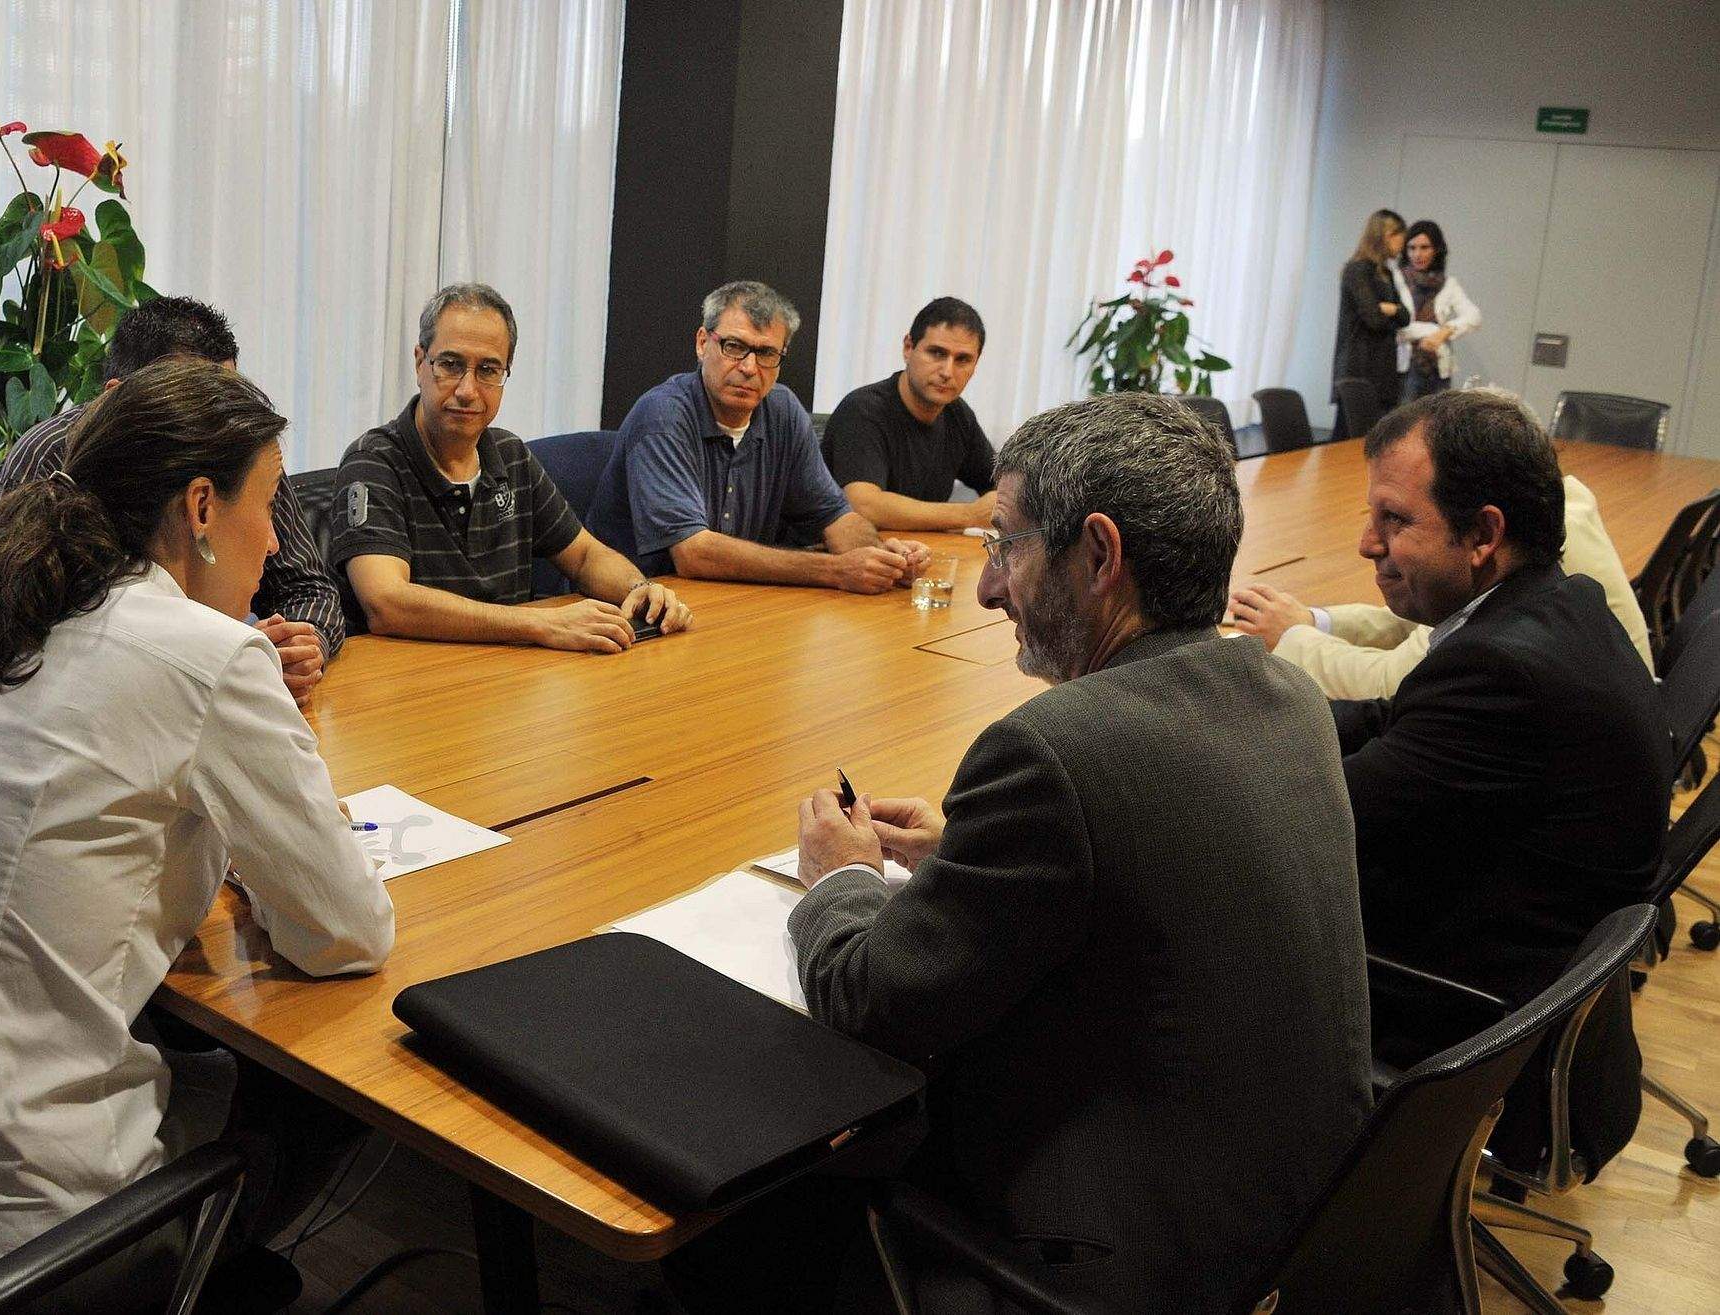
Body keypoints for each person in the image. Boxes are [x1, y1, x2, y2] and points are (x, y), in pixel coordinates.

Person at [669, 394, 1374, 1313]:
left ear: (1100, 553)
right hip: (1297, 1224)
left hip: (1114, 1258)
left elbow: (869, 1000)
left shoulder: (1055, 749)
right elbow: (1144, 876)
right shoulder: (1288, 696)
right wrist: (969, 853)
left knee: (740, 1183)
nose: (989, 586)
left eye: (1004, 545)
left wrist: (840, 876)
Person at [0, 359, 395, 1308]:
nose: (277, 537)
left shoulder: (9, 616)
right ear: (201, 506)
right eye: (270, 500)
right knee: (326, 1083)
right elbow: (346, 932)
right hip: (1, 1226)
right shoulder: (209, 655)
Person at [1324, 389, 1669, 1170]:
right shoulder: (1555, 604)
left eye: (1394, 520)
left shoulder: (1501, 668)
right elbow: (1389, 719)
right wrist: (1266, 709)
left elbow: (1319, 821)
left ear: (1483, 534)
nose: (1364, 543)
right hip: (1532, 989)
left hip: (1469, 1025)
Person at [0, 294, 343, 706]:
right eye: (194, 402)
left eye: (226, 399)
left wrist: (295, 647)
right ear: (115, 398)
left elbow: (306, 586)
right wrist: (221, 660)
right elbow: (19, 626)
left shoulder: (240, 447)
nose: (219, 426)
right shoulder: (50, 458)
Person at [331, 283, 690, 652]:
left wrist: (640, 590)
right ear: (420, 362)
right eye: (451, 365)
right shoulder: (373, 461)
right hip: (413, 684)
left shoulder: (509, 454)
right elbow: (386, 603)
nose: (468, 390)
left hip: (509, 678)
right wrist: (540, 623)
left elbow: (584, 556)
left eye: (488, 370)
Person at [587, 280, 929, 591]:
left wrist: (881, 557)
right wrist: (835, 570)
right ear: (703, 343)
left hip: (733, 601)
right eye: (734, 347)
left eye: (766, 353)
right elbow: (694, 553)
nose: (750, 368)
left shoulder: (782, 410)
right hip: (633, 609)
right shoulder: (663, 414)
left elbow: (835, 516)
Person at [1230, 469, 1654, 697]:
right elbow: (1424, 628)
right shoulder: (1549, 515)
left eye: (1395, 518)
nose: (1367, 545)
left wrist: (1292, 637)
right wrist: (1313, 621)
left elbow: (1392, 682)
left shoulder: (1521, 564)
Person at [821, 296, 996, 531]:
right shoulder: (863, 409)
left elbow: (1003, 486)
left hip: (919, 555)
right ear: (908, 347)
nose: (947, 371)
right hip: (841, 557)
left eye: (962, 359)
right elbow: (863, 504)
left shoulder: (958, 415)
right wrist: (969, 515)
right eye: (937, 353)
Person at [1331, 209, 1410, 438]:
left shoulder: (1386, 273)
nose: (1401, 246)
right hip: (1358, 366)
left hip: (1382, 366)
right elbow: (1373, 319)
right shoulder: (1356, 270)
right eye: (1399, 239)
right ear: (1384, 236)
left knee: (1377, 438)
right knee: (1348, 437)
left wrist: (1391, 308)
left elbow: (1405, 316)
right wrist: (1385, 310)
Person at [1397, 220, 1483, 401]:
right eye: (1412, 248)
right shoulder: (1395, 281)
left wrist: (1446, 330)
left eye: (1424, 247)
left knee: (1435, 424)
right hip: (1403, 367)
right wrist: (1435, 331)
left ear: (1436, 250)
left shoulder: (1448, 284)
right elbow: (1398, 326)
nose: (1417, 254)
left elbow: (1474, 316)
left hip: (1438, 369)